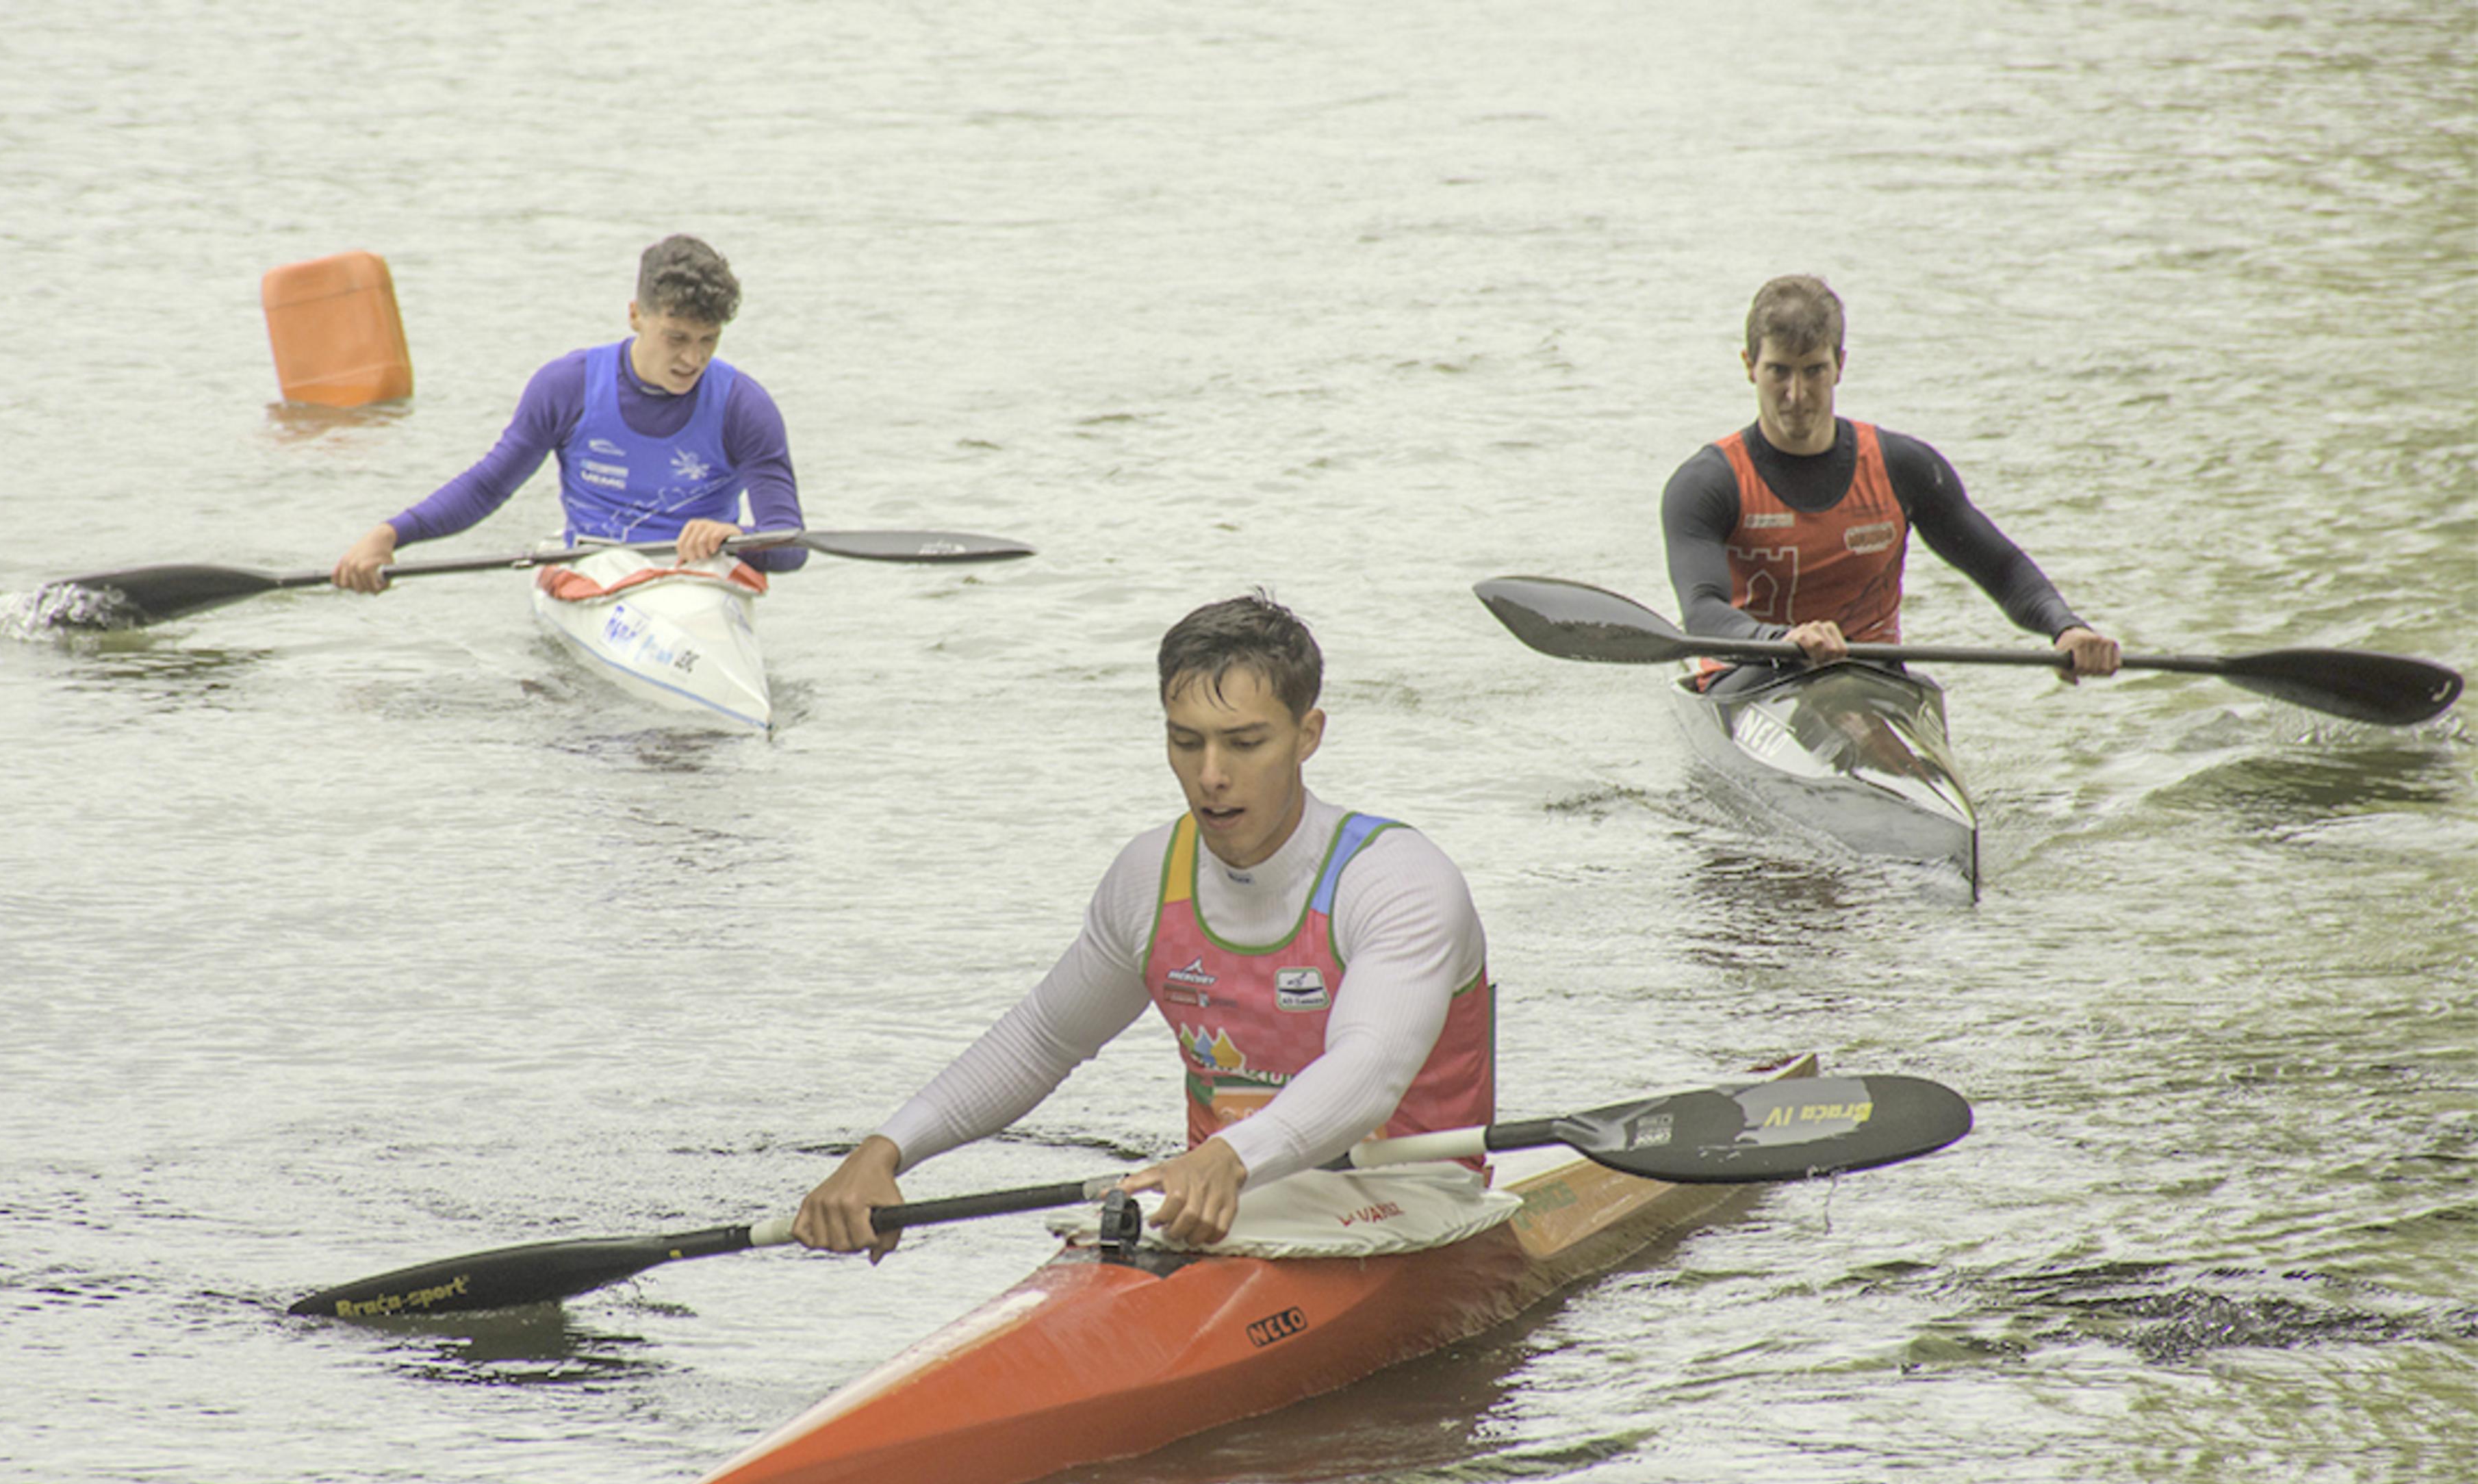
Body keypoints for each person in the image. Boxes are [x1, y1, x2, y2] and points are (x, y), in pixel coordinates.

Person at [795, 595, 1494, 1256]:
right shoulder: (1150, 875)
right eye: (1185, 742)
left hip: (1408, 1192)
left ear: (1306, 735)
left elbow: (1368, 1067)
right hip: (1217, 1201)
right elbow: (1041, 1039)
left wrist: (1231, 1155)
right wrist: (884, 1149)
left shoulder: (1396, 879)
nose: (1210, 775)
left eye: (1244, 742)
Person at [1661, 274, 2119, 683]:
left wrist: (2066, 626)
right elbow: (1701, 611)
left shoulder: (1903, 467)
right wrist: (1784, 640)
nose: (1796, 395)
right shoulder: (1707, 484)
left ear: (1839, 364)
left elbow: (2001, 568)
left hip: (1871, 677)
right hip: (1750, 673)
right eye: (1778, 371)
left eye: (1814, 371)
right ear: (1748, 366)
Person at [332, 233, 804, 591]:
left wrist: (734, 536)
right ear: (636, 315)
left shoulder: (744, 408)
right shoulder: (568, 387)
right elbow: (489, 487)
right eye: (676, 338)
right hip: (594, 571)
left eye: (708, 341)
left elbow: (789, 546)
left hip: (700, 579)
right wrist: (391, 534)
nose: (692, 361)